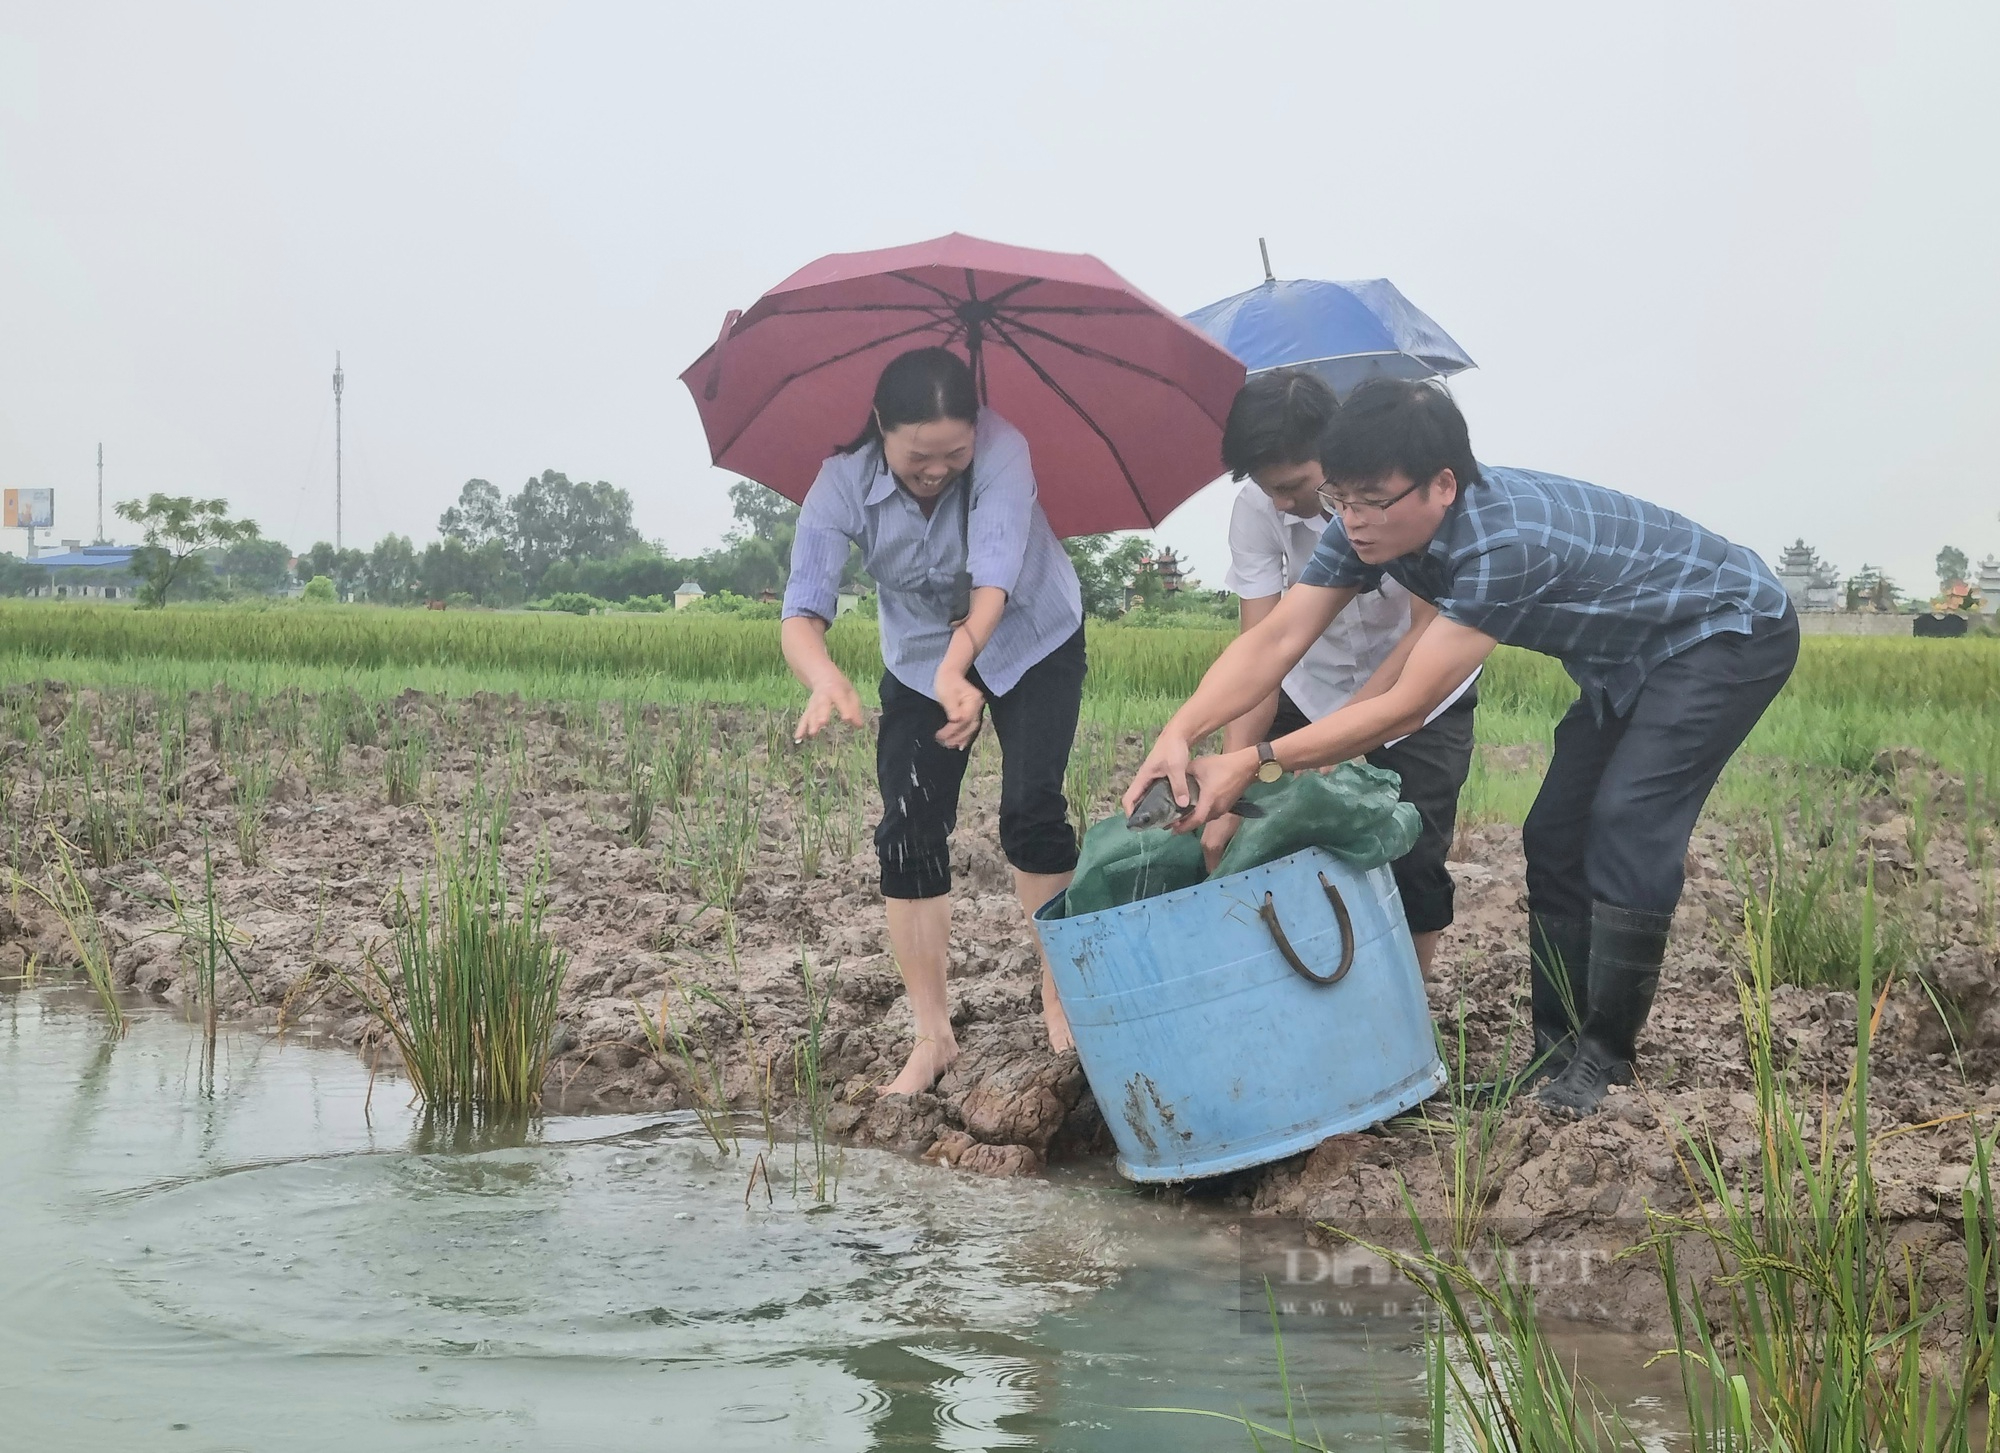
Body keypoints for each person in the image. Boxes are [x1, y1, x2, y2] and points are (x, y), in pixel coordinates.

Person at [1121, 379, 1797, 1116]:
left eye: (1373, 501)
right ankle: (1556, 1048)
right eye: (1340, 500)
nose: (1354, 522)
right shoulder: (1362, 525)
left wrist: (1255, 760)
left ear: (1443, 483)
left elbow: (1409, 702)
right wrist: (1178, 733)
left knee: (1628, 820)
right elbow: (1279, 636)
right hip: (1625, 660)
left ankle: (1605, 1062)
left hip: (1726, 631)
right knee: (1554, 831)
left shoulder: (1500, 544)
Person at [782, 347, 1087, 1097]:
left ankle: (1061, 999)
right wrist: (825, 677)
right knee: (909, 825)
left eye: (955, 452)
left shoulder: (1004, 450)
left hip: (1029, 636)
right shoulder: (839, 484)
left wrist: (965, 669)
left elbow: (993, 579)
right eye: (920, 454)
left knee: (1031, 809)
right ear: (882, 426)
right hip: (920, 653)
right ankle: (932, 1035)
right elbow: (802, 610)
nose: (938, 468)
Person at [1211, 369, 1479, 973]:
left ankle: (1406, 1007)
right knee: (1272, 831)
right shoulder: (1256, 509)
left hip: (1424, 687)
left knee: (1413, 847)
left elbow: (1424, 631)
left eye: (1295, 485)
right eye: (1268, 489)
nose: (1283, 502)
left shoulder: (1402, 500)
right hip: (1311, 685)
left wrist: (1355, 732)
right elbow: (1260, 648)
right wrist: (1232, 774)